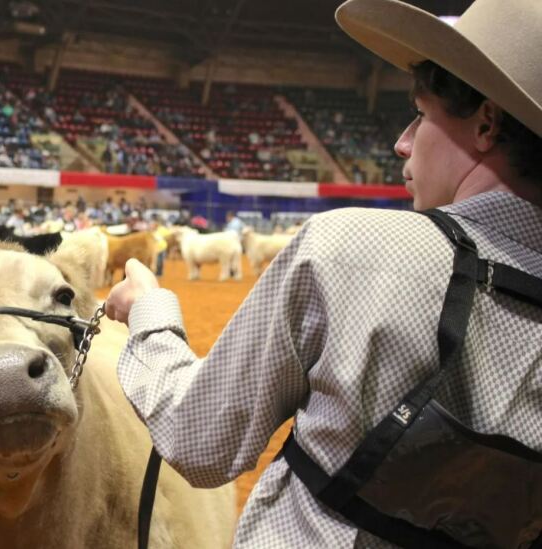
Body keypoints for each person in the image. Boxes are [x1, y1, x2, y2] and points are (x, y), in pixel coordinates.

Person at [104, 0, 542, 547]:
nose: (402, 142)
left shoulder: (353, 246)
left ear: (486, 122)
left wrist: (149, 312)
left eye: (422, 115)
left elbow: (199, 440)